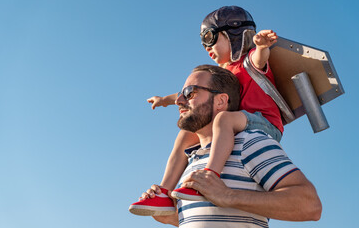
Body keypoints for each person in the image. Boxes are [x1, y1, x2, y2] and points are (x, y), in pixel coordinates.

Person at [129, 5, 284, 214]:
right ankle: (164, 193)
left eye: (211, 38)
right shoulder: (223, 72)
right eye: (203, 42)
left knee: (223, 120)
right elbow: (192, 94)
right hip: (238, 122)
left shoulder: (248, 61)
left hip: (264, 123)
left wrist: (262, 45)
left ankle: (210, 176)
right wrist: (164, 100)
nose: (206, 46)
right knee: (186, 133)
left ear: (234, 35)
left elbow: (259, 59)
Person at [134, 65, 322, 227]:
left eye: (189, 93)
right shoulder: (191, 162)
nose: (179, 101)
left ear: (221, 101)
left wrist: (229, 195)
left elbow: (310, 205)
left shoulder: (249, 142)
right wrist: (169, 217)